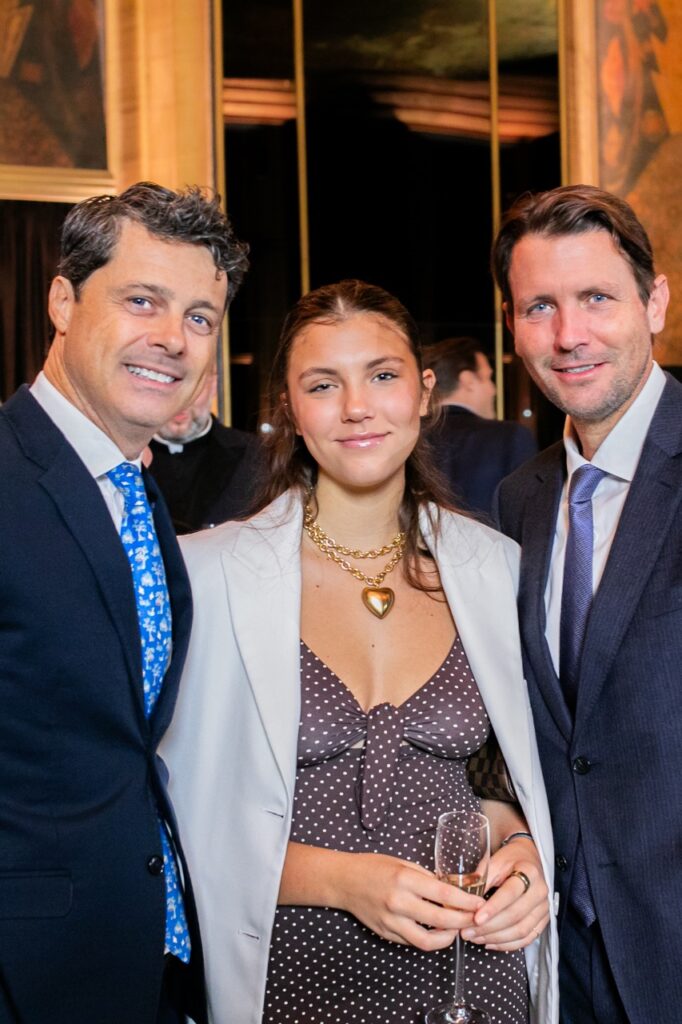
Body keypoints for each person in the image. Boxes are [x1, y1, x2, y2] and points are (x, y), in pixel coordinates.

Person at [162, 279, 559, 1024]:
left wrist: (521, 850)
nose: (357, 407)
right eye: (323, 384)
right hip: (295, 978)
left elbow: (492, 782)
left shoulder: (492, 566)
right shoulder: (207, 575)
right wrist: (344, 881)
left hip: (473, 979)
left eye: (382, 375)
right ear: (288, 405)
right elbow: (185, 818)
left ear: (424, 390)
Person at [0, 181, 248, 1024]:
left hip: (146, 957)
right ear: (63, 300)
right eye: (141, 300)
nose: (172, 340)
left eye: (200, 317)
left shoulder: (135, 489)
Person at [492, 184, 682, 1024]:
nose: (569, 336)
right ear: (511, 325)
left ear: (656, 302)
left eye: (596, 298)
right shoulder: (516, 502)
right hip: (559, 963)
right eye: (540, 307)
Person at [423, 336, 536, 519]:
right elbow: (527, 518)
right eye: (488, 378)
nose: (494, 390)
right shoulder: (510, 438)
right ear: (467, 380)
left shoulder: (410, 438)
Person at [148, 367, 264, 532]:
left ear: (213, 385)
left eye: (194, 385)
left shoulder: (259, 457)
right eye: (168, 383)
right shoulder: (125, 460)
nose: (181, 400)